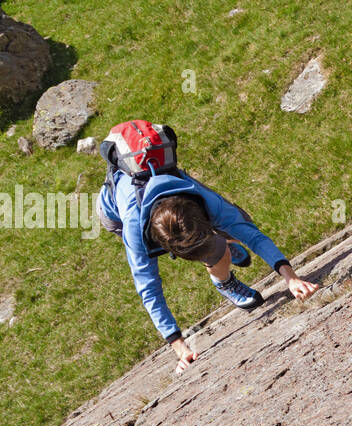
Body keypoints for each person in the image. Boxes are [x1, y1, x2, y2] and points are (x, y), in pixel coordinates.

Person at [95, 121, 318, 372]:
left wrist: (291, 278)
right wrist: (180, 347)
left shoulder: (198, 195)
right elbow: (149, 288)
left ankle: (222, 263)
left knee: (231, 229)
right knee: (217, 245)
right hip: (113, 214)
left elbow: (252, 234)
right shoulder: (134, 229)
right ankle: (221, 248)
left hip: (178, 201)